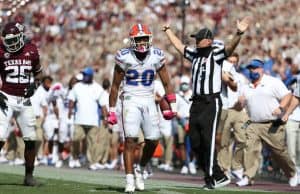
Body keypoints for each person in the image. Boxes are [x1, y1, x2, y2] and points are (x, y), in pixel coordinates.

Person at [163, 16, 251, 189]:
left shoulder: (216, 53)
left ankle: (210, 179)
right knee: (195, 141)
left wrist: (239, 33)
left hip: (211, 102)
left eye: (198, 38)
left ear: (208, 40)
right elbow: (180, 47)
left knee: (208, 140)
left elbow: (230, 47)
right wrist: (168, 31)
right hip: (196, 103)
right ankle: (219, 175)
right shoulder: (194, 54)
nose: (195, 41)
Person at [108, 24, 176, 193]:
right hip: (130, 99)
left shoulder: (156, 55)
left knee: (153, 140)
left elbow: (167, 82)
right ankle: (129, 179)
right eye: (138, 39)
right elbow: (115, 85)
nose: (142, 42)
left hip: (148, 99)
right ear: (132, 40)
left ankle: (141, 167)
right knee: (130, 140)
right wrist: (111, 109)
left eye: (144, 38)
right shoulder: (124, 57)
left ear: (150, 38)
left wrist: (172, 104)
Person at [234, 59, 297, 187]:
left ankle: (292, 173)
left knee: (279, 152)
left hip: (272, 123)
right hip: (253, 123)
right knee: (250, 149)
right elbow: (240, 106)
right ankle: (248, 176)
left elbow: (287, 96)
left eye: (255, 68)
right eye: (251, 68)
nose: (253, 71)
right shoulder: (246, 86)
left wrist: (281, 107)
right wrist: (240, 102)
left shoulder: (273, 82)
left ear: (262, 69)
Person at [0, 22, 43, 186]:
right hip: (6, 98)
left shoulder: (31, 50)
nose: (10, 45)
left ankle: (29, 176)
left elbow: (38, 72)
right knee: (0, 136)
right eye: (7, 42)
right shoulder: (1, 52)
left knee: (31, 139)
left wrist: (35, 84)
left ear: (20, 37)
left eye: (13, 41)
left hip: (24, 100)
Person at [68, 66, 108, 170]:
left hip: (93, 120)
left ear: (90, 76)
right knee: (76, 138)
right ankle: (75, 158)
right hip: (79, 119)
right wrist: (69, 111)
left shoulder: (97, 88)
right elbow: (72, 100)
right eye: (83, 74)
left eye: (86, 75)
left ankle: (92, 162)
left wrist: (105, 118)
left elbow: (103, 104)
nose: (84, 76)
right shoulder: (77, 86)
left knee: (92, 142)